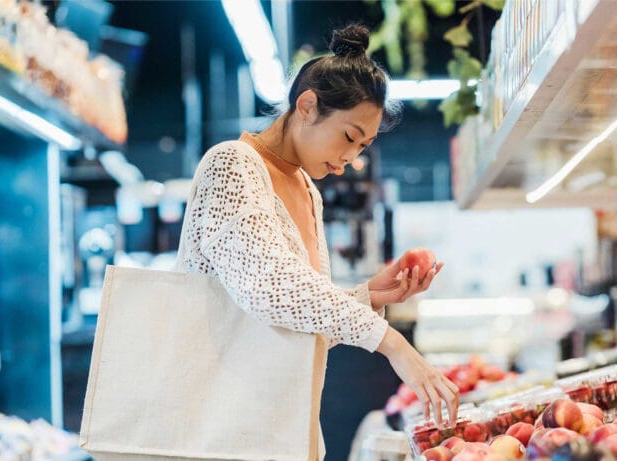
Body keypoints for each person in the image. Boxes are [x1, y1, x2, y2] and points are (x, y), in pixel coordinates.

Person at [177, 23, 459, 451]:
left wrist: (370, 296)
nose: (349, 159)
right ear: (307, 105)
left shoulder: (308, 190)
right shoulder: (232, 165)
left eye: (362, 146)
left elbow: (297, 322)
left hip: (283, 429)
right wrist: (392, 343)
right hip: (217, 432)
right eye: (349, 137)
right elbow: (268, 288)